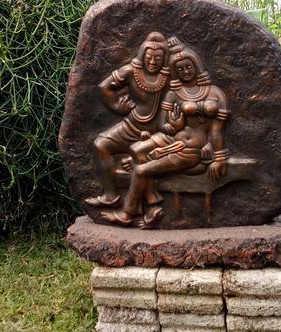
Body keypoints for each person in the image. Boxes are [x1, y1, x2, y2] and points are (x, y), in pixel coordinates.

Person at [102, 37, 230, 228]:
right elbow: (165, 124)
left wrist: (218, 156)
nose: (185, 71)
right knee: (136, 150)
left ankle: (128, 213)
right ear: (174, 72)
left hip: (190, 149)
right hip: (169, 138)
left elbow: (217, 130)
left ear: (197, 66)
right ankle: (152, 205)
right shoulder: (174, 93)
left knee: (141, 169)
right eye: (179, 69)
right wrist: (174, 124)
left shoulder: (215, 93)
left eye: (188, 67)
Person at [85, 31, 171, 208]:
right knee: (100, 145)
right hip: (131, 125)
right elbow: (104, 87)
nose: (153, 62)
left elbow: (189, 69)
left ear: (164, 58)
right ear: (142, 55)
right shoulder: (132, 71)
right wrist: (116, 107)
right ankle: (110, 195)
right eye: (149, 57)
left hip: (158, 131)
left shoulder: (170, 75)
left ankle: (144, 203)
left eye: (157, 58)